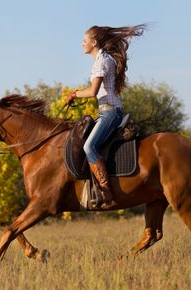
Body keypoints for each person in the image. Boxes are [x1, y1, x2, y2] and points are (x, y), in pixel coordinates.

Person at [66, 25, 146, 209]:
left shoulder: (101, 61)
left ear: (94, 43)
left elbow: (93, 91)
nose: (82, 44)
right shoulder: (103, 59)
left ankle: (105, 189)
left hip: (111, 112)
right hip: (106, 111)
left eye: (84, 41)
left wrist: (75, 94)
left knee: (89, 146)